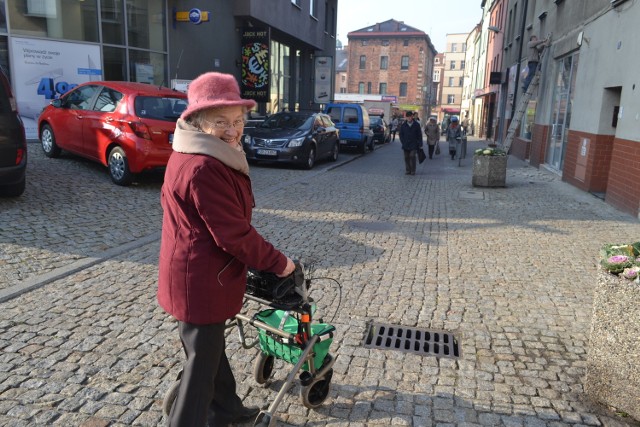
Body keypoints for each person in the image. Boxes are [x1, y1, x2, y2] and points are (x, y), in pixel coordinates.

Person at [158, 72, 296, 427]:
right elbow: (234, 234)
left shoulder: (195, 152)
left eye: (238, 121)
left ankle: (228, 413)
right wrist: (280, 264)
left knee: (208, 355)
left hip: (194, 276)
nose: (233, 130)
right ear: (199, 121)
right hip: (201, 283)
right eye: (221, 122)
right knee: (199, 373)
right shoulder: (205, 166)